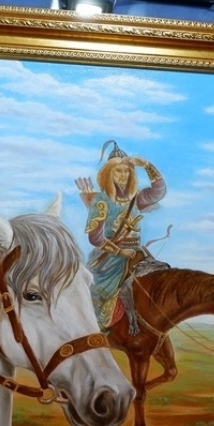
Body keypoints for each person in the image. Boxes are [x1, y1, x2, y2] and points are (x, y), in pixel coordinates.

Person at [77, 140, 167, 332]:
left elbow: (159, 191)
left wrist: (147, 165)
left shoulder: (136, 197)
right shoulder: (101, 201)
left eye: (127, 171)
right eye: (118, 171)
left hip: (137, 252)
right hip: (110, 257)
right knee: (96, 294)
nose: (123, 175)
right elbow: (95, 238)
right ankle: (96, 333)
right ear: (109, 173)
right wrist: (120, 251)